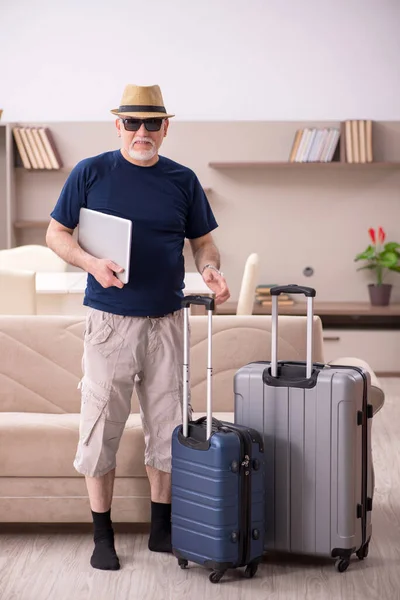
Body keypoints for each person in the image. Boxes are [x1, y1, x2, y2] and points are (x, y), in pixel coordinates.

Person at [46, 84, 230, 571]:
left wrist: (210, 268)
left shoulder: (182, 180)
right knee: (100, 427)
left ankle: (160, 530)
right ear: (118, 125)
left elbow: (204, 242)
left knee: (169, 429)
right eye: (133, 123)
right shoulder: (91, 172)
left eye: (152, 124)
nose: (142, 132)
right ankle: (101, 536)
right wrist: (90, 263)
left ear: (166, 127)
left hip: (169, 323)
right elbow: (55, 234)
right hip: (109, 324)